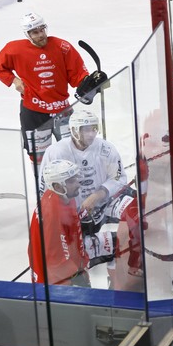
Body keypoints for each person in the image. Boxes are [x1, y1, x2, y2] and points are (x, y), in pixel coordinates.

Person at [39, 109, 142, 282]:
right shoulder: (56, 152)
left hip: (107, 201)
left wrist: (99, 194)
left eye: (94, 128)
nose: (91, 133)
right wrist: (65, 213)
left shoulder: (106, 149)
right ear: (73, 130)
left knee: (138, 211)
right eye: (85, 129)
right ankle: (102, 251)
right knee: (73, 254)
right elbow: (45, 187)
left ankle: (128, 261)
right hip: (74, 212)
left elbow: (119, 177)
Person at [0, 12, 107, 162]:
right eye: (35, 32)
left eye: (42, 29)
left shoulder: (62, 47)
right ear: (27, 34)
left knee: (73, 154)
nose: (41, 35)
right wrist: (14, 80)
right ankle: (44, 186)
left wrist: (88, 83)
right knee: (39, 159)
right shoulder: (14, 49)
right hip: (33, 113)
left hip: (62, 111)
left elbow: (77, 76)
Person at [29, 160, 115, 286]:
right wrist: (77, 276)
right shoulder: (52, 215)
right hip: (57, 283)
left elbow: (69, 237)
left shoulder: (61, 197)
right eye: (71, 181)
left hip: (67, 268)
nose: (78, 184)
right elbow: (55, 262)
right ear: (57, 186)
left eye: (75, 179)